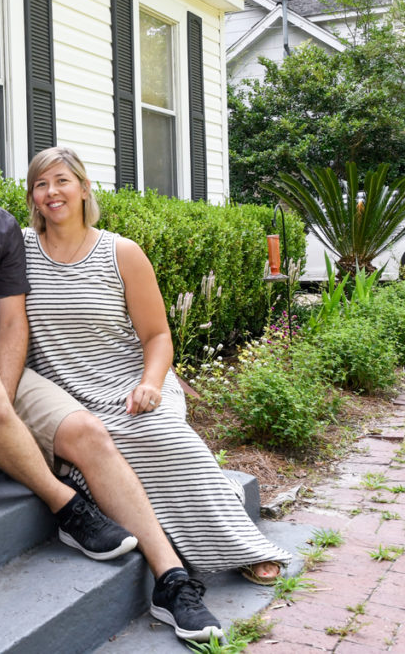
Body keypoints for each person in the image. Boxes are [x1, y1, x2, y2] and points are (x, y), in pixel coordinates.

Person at [0, 94, 223, 642]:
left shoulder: (0, 228)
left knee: (88, 431)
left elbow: (13, 324)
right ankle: (68, 506)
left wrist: (2, 393)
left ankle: (171, 580)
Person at [21, 145, 292, 582]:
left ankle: (242, 544)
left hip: (132, 382)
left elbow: (157, 335)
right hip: (67, 395)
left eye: (62, 181)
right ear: (33, 196)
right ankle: (196, 517)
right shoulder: (20, 248)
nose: (52, 192)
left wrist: (150, 382)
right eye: (41, 184)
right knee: (102, 451)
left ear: (85, 188)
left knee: (160, 432)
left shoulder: (120, 252)